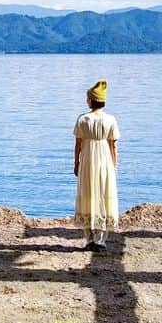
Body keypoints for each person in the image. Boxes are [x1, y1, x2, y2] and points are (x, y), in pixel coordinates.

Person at [73, 79, 119, 252]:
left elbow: (78, 144)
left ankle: (89, 238)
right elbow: (113, 145)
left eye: (87, 98)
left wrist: (76, 163)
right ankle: (101, 240)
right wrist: (114, 165)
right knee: (103, 195)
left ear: (91, 100)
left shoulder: (83, 119)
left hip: (88, 159)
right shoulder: (111, 119)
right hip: (105, 159)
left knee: (88, 193)